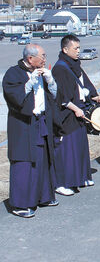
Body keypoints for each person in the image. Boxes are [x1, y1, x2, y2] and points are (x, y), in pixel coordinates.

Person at [3, 44, 58, 218]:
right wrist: (29, 83)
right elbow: (13, 97)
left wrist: (51, 81)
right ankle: (20, 204)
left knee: (42, 159)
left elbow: (54, 96)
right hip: (23, 124)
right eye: (42, 56)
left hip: (41, 121)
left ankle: (43, 196)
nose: (44, 59)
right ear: (30, 58)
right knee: (24, 162)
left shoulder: (41, 72)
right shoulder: (13, 73)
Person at [52, 35, 100, 196]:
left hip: (79, 110)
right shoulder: (60, 68)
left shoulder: (74, 65)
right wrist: (75, 108)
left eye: (78, 48)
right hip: (67, 115)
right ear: (65, 49)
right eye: (75, 48)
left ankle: (80, 177)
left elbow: (84, 87)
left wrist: (95, 96)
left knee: (79, 147)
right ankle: (62, 182)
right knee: (67, 149)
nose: (78, 51)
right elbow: (61, 96)